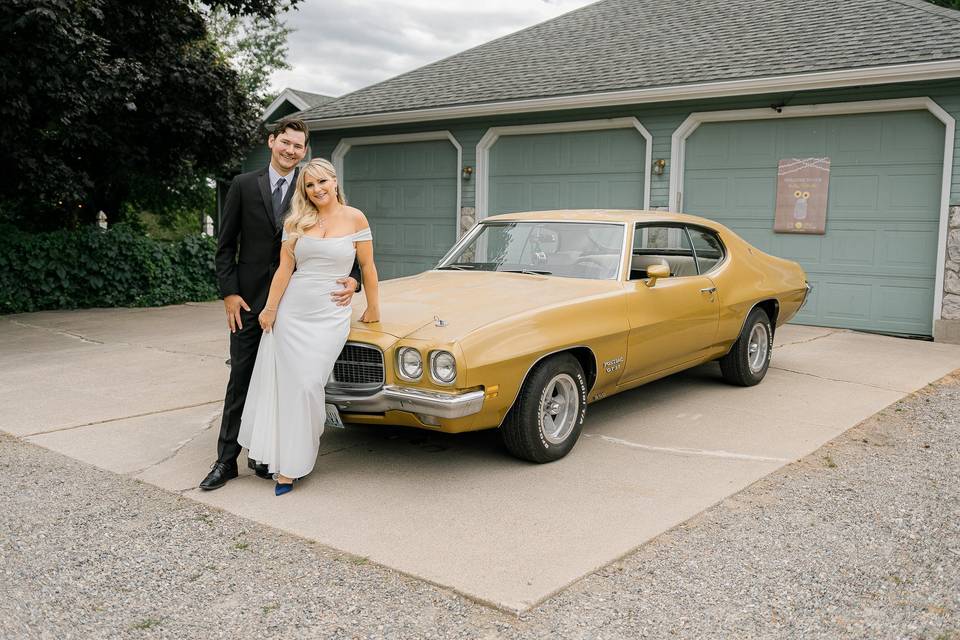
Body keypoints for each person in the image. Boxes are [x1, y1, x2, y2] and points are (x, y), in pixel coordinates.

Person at [200, 119, 362, 491]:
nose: (291, 150)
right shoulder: (243, 185)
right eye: (285, 143)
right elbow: (225, 246)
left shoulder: (312, 189)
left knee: (285, 383)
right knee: (241, 380)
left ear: (305, 151)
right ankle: (225, 461)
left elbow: (346, 245)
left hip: (301, 308)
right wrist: (229, 292)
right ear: (272, 142)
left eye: (298, 146)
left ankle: (266, 454)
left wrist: (353, 280)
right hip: (250, 302)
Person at [238, 158, 380, 495]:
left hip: (330, 314)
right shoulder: (296, 221)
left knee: (307, 384)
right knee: (285, 387)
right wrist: (271, 309)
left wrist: (373, 306)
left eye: (322, 182)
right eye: (310, 186)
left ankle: (300, 451)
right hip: (292, 311)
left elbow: (368, 266)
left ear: (334, 181)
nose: (317, 190)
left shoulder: (355, 217)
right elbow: (285, 270)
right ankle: (287, 465)